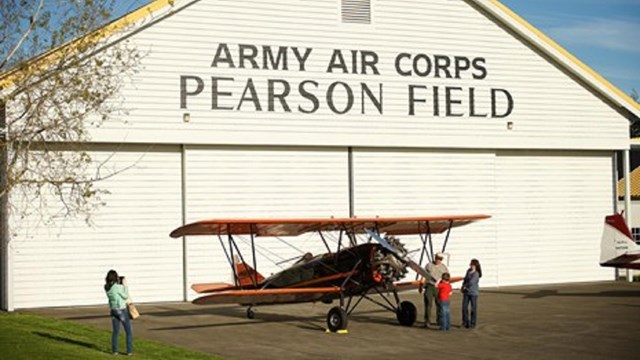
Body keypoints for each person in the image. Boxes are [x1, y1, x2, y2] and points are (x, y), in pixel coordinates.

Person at [104, 269, 133, 355]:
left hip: (113, 310)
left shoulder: (106, 287)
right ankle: (129, 351)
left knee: (115, 332)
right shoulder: (118, 287)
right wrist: (125, 286)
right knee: (128, 332)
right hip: (121, 310)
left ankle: (115, 350)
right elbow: (125, 296)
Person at [419, 252, 448, 327]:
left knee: (439, 304)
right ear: (435, 258)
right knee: (428, 303)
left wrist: (446, 288)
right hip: (429, 286)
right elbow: (423, 275)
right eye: (437, 258)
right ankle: (427, 321)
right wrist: (421, 285)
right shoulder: (429, 265)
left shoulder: (443, 267)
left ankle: (439, 320)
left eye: (440, 259)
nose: (438, 260)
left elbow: (447, 278)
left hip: (439, 287)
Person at [461, 258, 482, 329]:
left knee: (473, 308)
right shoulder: (468, 271)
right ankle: (465, 322)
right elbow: (465, 279)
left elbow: (471, 282)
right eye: (470, 264)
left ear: (475, 265)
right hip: (466, 292)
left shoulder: (476, 274)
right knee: (464, 307)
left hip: (473, 293)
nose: (470, 265)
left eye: (472, 264)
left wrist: (465, 285)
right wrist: (462, 285)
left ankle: (473, 323)